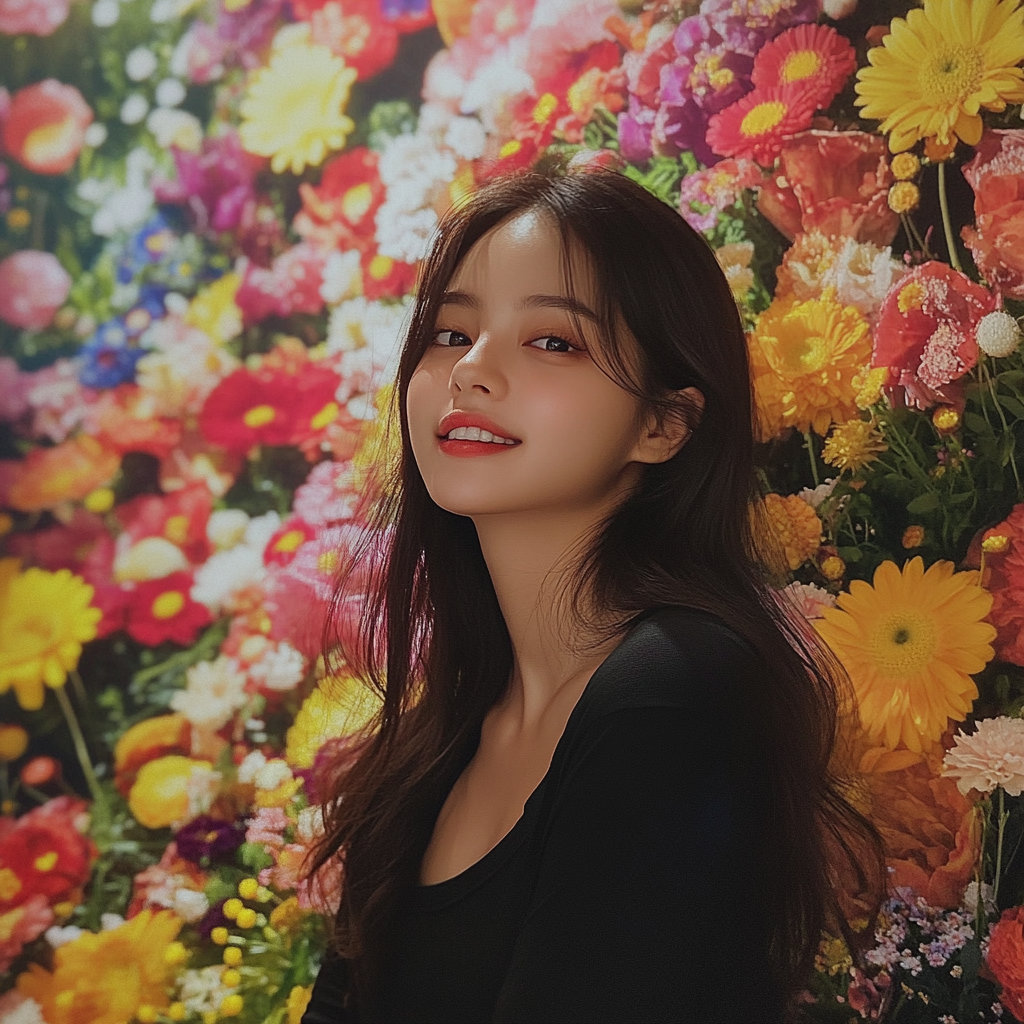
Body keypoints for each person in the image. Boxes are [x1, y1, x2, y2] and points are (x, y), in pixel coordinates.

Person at [301, 168, 887, 1024]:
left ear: (665, 424)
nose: (471, 370)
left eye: (552, 343)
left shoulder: (675, 689)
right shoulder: (453, 724)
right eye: (450, 331)